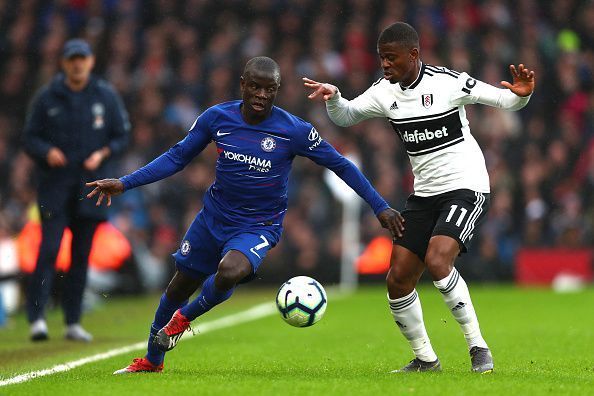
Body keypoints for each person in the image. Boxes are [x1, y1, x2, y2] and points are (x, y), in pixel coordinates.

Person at [86, 56, 404, 374]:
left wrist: (380, 206)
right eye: (255, 86)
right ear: (243, 84)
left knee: (229, 271)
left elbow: (342, 165)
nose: (261, 95)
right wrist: (125, 183)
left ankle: (183, 319)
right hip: (213, 218)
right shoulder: (216, 118)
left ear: (277, 90)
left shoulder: (293, 130)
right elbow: (177, 157)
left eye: (270, 89)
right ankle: (152, 361)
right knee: (178, 288)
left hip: (258, 225)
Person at [303, 22, 535, 373]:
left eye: (391, 58)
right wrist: (334, 97)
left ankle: (478, 348)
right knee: (397, 279)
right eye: (381, 58)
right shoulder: (384, 91)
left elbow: (505, 99)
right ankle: (426, 359)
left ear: (414, 54)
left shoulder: (448, 83)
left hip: (465, 185)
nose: (385, 65)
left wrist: (523, 94)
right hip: (424, 194)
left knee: (439, 260)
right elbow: (347, 116)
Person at [22, 39, 130, 342]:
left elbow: (122, 135)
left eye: (82, 58)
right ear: (64, 63)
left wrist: (104, 152)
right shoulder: (48, 97)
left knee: (81, 256)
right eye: (72, 59)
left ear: (91, 61)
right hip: (55, 187)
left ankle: (72, 320)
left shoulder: (105, 96)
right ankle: (37, 318)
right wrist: (47, 151)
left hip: (91, 188)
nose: (77, 64)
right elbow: (30, 138)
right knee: (49, 250)